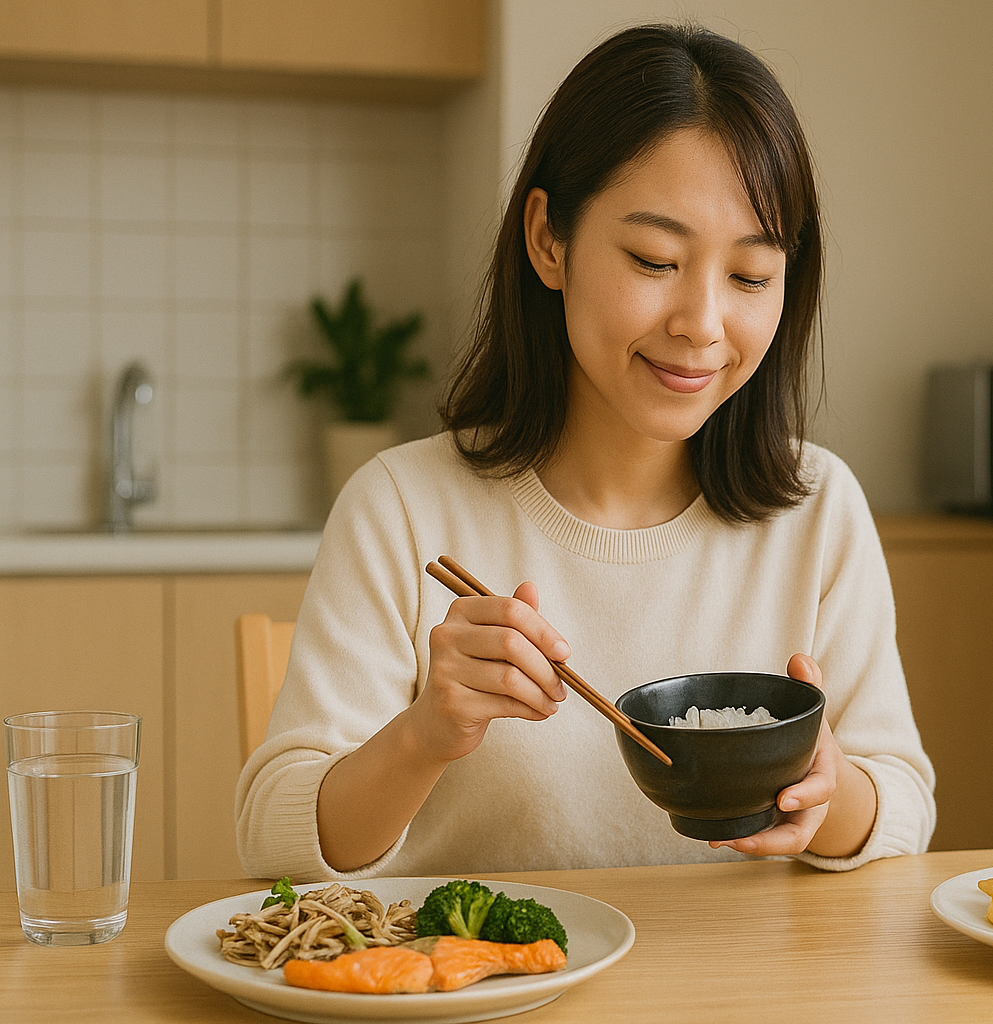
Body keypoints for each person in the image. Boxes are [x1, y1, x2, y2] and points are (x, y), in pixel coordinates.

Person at [236, 23, 935, 880]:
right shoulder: (405, 508)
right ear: (548, 240)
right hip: (488, 1000)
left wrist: (828, 789)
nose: (703, 325)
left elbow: (901, 804)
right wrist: (424, 735)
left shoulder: (817, 507)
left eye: (750, 276)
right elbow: (275, 836)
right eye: (654, 259)